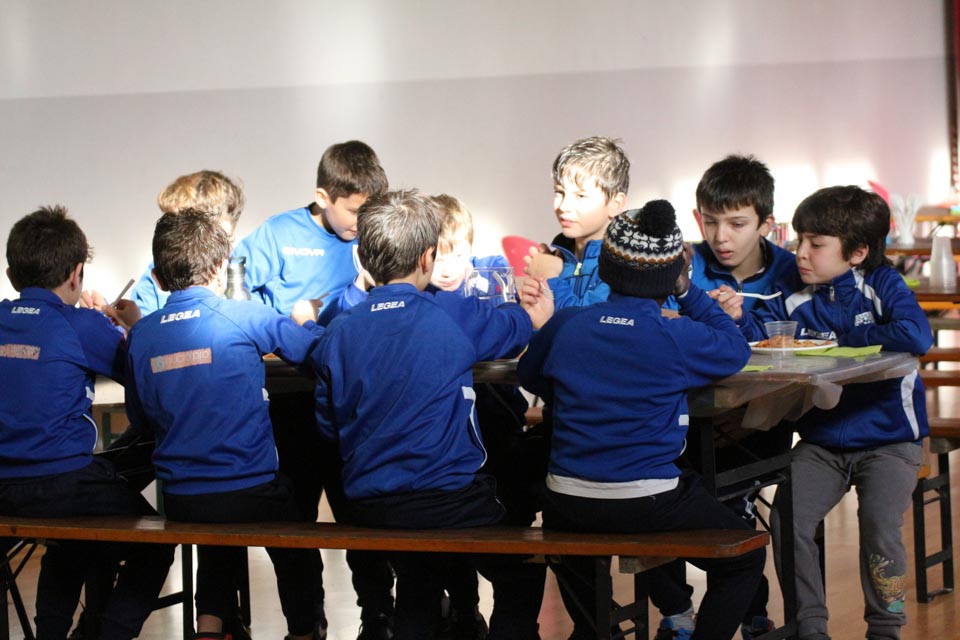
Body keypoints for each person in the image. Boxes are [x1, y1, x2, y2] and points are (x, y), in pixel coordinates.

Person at [518, 199, 766, 640]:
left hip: (566, 501)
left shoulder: (567, 324)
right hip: (647, 502)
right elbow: (734, 346)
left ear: (606, 267)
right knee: (744, 556)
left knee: (564, 536)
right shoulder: (674, 335)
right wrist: (688, 292)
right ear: (671, 276)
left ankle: (595, 628)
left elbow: (531, 376)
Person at [312, 189, 553, 640]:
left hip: (368, 502)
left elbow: (328, 425)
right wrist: (528, 315)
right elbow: (513, 327)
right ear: (427, 258)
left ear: (363, 259)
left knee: (419, 577)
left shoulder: (339, 331)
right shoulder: (451, 316)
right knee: (523, 564)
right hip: (447, 500)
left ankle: (446, 614)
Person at [736, 186, 931, 640]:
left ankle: (886, 628)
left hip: (891, 441)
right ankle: (809, 627)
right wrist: (735, 316)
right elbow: (759, 335)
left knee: (879, 526)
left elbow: (916, 335)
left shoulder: (882, 283)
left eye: (816, 244)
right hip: (822, 443)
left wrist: (842, 342)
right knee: (787, 518)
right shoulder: (796, 294)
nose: (800, 253)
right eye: (799, 240)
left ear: (857, 252)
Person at [123, 210, 326, 640]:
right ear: (221, 268)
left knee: (216, 532)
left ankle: (210, 627)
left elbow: (140, 419)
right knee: (297, 548)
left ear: (158, 276)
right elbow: (315, 354)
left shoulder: (141, 335)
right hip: (252, 491)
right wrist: (306, 318)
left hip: (181, 497)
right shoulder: (247, 315)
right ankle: (304, 632)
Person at [232, 140, 393, 640]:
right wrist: (282, 326)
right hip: (290, 402)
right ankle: (305, 625)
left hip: (353, 403)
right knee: (293, 522)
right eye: (355, 211)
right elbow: (235, 289)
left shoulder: (375, 235)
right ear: (323, 196)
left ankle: (379, 619)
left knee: (361, 515)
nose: (362, 223)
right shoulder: (278, 233)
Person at [0, 206, 174, 640]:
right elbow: (145, 374)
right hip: (63, 481)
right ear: (77, 274)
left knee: (75, 535)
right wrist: (126, 327)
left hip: (4, 484)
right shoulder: (78, 324)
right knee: (155, 541)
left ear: (11, 274)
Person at [658, 154, 797, 639]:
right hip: (685, 423)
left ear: (766, 224)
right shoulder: (684, 267)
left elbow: (802, 351)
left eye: (737, 224)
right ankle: (678, 610)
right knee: (651, 487)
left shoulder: (790, 273)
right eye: (711, 222)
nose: (721, 237)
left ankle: (749, 606)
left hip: (763, 423)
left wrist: (751, 414)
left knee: (724, 499)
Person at [523, 136, 629, 310]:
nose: (563, 206)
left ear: (615, 204)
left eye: (580, 196)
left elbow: (585, 321)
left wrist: (550, 276)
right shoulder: (557, 256)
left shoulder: (622, 266)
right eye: (560, 192)